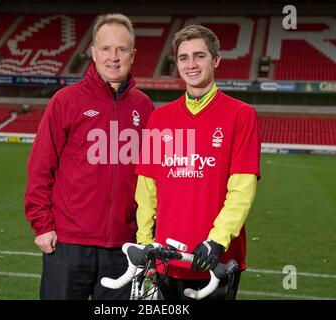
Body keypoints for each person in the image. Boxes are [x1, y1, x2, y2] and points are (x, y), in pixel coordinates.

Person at [25, 13, 154, 300]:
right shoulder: (66, 101)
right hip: (68, 244)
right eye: (105, 49)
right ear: (93, 53)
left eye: (121, 49)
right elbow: (40, 167)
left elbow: (153, 179)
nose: (113, 57)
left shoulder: (145, 107)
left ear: (132, 55)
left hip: (123, 248)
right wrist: (42, 225)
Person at [135, 25, 261, 300]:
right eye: (183, 57)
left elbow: (242, 188)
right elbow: (147, 188)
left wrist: (217, 240)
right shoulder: (159, 118)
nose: (191, 64)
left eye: (199, 56)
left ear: (216, 60)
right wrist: (145, 242)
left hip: (215, 260)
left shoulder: (242, 115)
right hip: (167, 258)